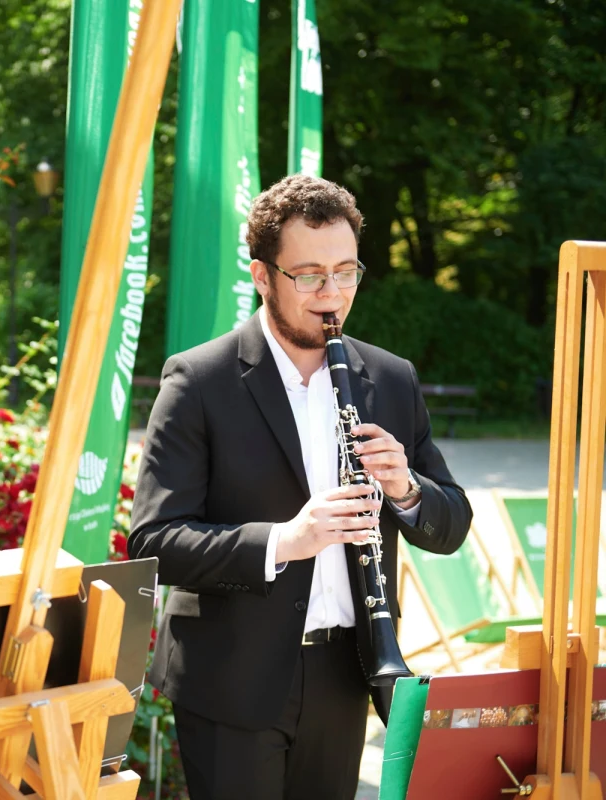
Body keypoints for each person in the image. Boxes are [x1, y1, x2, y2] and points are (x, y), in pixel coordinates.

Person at [128, 175, 472, 799]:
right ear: (263, 277)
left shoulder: (391, 379)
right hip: (233, 681)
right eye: (309, 276)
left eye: (346, 272)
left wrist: (407, 489)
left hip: (347, 673)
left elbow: (452, 525)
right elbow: (155, 541)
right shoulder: (199, 380)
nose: (332, 293)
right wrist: (285, 540)